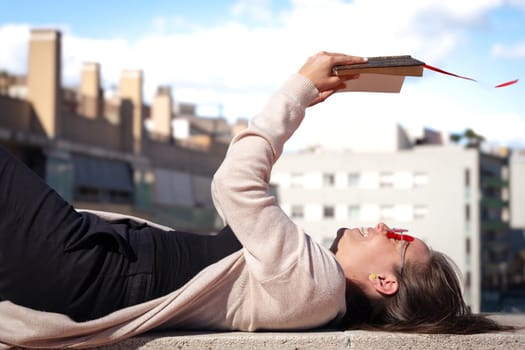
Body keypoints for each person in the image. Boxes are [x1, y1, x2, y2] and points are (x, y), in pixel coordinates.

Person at [0, 52, 511, 348]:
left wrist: (298, 90)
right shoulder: (316, 299)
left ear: (385, 281)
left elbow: (235, 187)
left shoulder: (316, 283)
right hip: (82, 273)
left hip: (81, 266)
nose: (382, 225)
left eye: (398, 237)